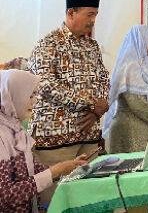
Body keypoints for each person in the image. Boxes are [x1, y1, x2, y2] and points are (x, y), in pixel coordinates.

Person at [28, 0, 108, 201]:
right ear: (71, 13)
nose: (93, 20)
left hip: (89, 136)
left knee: (89, 199)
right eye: (90, 14)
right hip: (55, 142)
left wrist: (99, 108)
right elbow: (45, 85)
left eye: (96, 15)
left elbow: (103, 78)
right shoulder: (48, 44)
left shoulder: (92, 46)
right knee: (57, 200)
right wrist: (91, 104)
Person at [0, 70, 89, 212]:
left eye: (35, 95)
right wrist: (54, 171)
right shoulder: (2, 136)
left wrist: (67, 166)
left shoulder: (15, 128)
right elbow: (5, 196)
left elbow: (30, 172)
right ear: (11, 96)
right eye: (30, 96)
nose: (35, 101)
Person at [102, 25, 148, 153]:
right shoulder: (129, 67)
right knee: (137, 165)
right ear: (140, 40)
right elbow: (136, 103)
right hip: (132, 130)